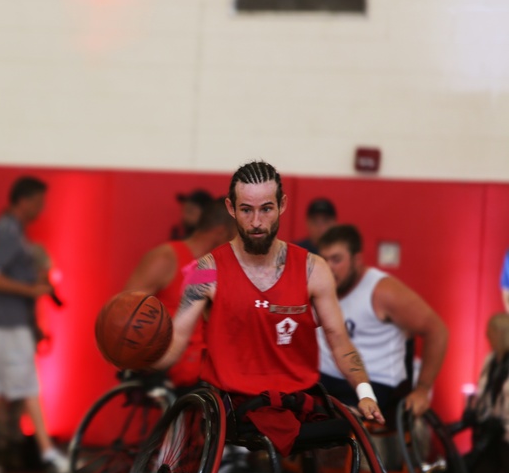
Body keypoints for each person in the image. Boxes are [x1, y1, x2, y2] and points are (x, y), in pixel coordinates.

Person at [151, 161, 383, 457]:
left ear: (282, 205)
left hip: (297, 399)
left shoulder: (314, 268)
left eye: (266, 209)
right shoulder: (206, 269)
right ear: (231, 208)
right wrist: (144, 358)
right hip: (236, 403)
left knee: (351, 435)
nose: (257, 222)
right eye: (246, 210)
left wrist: (365, 392)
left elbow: (339, 340)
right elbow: (177, 338)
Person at [0, 176, 70, 473]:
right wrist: (30, 290)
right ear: (25, 201)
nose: (41, 209)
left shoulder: (12, 230)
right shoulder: (8, 231)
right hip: (8, 324)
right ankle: (48, 454)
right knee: (29, 387)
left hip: (5, 322)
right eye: (39, 202)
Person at [316, 224, 448, 423]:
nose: (329, 267)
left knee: (334, 425)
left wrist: (422, 389)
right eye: (324, 259)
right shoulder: (319, 285)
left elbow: (437, 330)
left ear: (357, 260)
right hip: (325, 380)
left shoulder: (382, 291)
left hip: (376, 384)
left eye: (336, 259)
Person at [125, 198, 236, 388]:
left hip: (209, 370)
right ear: (221, 233)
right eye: (235, 237)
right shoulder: (166, 258)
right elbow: (126, 315)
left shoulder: (214, 267)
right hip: (174, 367)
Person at [461, 313, 509, 473]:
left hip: (505, 430)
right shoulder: (491, 361)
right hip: (490, 427)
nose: (486, 335)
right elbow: (484, 393)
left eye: (490, 331)